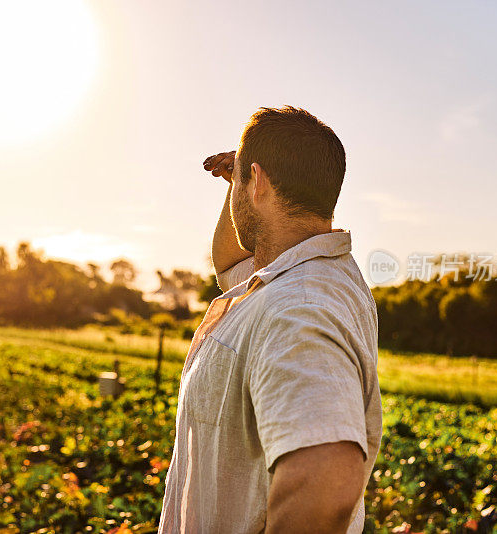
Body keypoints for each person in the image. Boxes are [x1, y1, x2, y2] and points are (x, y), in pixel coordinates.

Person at [157, 106, 383, 534]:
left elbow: (326, 482)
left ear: (258, 182)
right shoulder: (296, 279)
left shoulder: (298, 305)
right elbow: (230, 263)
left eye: (244, 181)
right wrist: (235, 184)